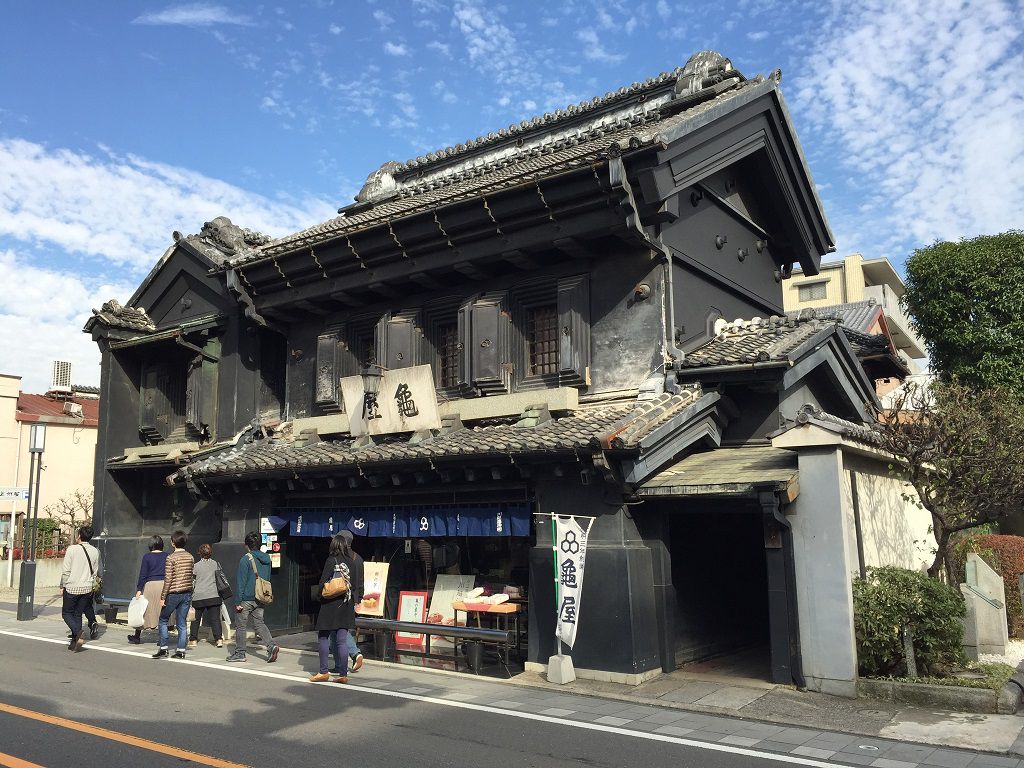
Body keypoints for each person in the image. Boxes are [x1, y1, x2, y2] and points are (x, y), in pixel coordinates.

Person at [310, 532, 363, 683]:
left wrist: (319, 596)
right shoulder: (352, 562)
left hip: (330, 605)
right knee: (341, 640)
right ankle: (343, 674)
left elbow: (322, 582)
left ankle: (323, 672)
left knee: (323, 637)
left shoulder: (331, 560)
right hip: (346, 605)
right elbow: (355, 585)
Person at [226, 532, 280, 664]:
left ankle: (240, 653)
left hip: (246, 598)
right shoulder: (267, 559)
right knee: (259, 623)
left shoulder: (245, 559)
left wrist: (238, 601)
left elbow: (241, 582)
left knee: (241, 626)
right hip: (260, 596)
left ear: (246, 545)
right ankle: (271, 646)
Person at [60, 525, 101, 652]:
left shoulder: (72, 549)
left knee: (66, 613)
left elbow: (66, 570)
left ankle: (78, 632)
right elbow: (95, 571)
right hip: (87, 587)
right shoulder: (95, 551)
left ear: (79, 536)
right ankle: (75, 641)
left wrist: (63, 585)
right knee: (78, 614)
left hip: (72, 586)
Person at [154, 530, 194, 660]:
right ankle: (181, 651)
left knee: (163, 619)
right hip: (187, 593)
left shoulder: (170, 558)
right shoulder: (190, 557)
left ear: (173, 543)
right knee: (181, 623)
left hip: (173, 593)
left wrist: (162, 597)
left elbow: (168, 579)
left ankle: (164, 648)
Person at [329, 530, 364, 674]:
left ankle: (354, 654)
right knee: (339, 630)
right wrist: (359, 598)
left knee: (337, 630)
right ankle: (339, 665)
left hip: (338, 598)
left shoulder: (338, 558)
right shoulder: (358, 558)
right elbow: (360, 582)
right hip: (352, 599)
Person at [129, 535, 167, 645]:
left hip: (150, 585)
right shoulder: (167, 556)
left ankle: (137, 636)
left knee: (144, 610)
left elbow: (143, 574)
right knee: (162, 611)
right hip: (164, 585)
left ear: (150, 545)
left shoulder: (147, 557)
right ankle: (162, 638)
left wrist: (139, 589)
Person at [187, 543, 224, 648]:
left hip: (199, 596)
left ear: (200, 553)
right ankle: (219, 639)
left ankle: (193, 640)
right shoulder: (216, 564)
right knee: (215, 619)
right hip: (214, 595)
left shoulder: (196, 566)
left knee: (196, 619)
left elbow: (192, 582)